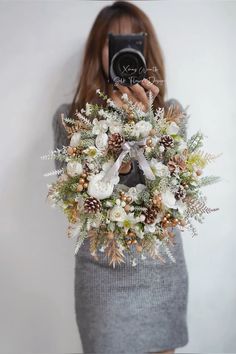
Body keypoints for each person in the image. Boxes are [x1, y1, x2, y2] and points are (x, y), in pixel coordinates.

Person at [52, 1, 189, 353]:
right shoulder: (70, 119)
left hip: (160, 275)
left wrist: (145, 125)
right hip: (102, 280)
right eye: (115, 41)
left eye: (134, 41)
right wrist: (114, 129)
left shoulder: (170, 114)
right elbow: (80, 203)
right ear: (99, 50)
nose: (125, 50)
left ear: (147, 50)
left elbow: (171, 194)